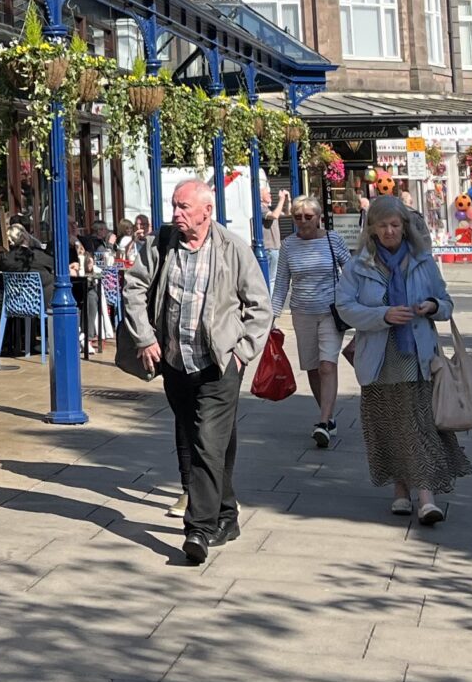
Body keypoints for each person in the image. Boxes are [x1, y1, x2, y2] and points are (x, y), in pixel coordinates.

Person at [118, 181, 270, 565]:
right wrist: (144, 336)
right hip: (174, 361)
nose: (176, 213)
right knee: (200, 437)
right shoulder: (161, 244)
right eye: (174, 205)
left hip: (219, 364)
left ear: (207, 211)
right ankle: (227, 514)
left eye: (184, 207)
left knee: (207, 442)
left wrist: (242, 353)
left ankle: (198, 528)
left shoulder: (232, 248)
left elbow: (259, 306)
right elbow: (134, 287)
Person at [336, 193, 468, 526]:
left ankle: (425, 498)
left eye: (395, 225)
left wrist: (432, 307)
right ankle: (399, 491)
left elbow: (446, 301)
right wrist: (382, 315)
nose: (390, 231)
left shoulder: (422, 259)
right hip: (378, 357)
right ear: (373, 229)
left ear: (405, 226)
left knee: (417, 424)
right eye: (383, 226)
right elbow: (345, 307)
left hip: (416, 354)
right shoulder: (359, 265)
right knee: (387, 426)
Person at [271, 197, 349, 449]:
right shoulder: (288, 245)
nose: (303, 221)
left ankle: (323, 421)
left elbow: (350, 271)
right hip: (302, 313)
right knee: (313, 367)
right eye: (298, 217)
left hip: (330, 311)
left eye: (308, 216)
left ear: (318, 218)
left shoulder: (332, 239)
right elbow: (281, 282)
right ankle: (328, 415)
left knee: (327, 365)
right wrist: (271, 317)